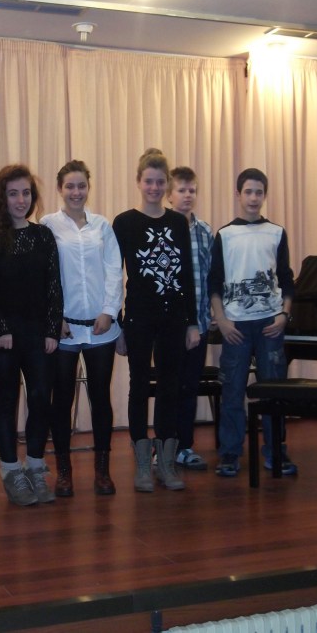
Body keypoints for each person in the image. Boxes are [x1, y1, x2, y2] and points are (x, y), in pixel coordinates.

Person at [0, 164, 63, 506]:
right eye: (13, 194)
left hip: (39, 335)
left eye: (26, 193)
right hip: (2, 337)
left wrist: (52, 329)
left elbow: (54, 286)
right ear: (2, 197)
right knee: (6, 402)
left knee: (40, 399)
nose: (21, 200)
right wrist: (1, 328)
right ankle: (11, 471)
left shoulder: (43, 236)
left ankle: (36, 467)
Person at [113, 148, 200, 493]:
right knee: (138, 386)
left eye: (160, 182)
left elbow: (187, 275)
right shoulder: (124, 223)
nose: (154, 187)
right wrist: (119, 323)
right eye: (148, 181)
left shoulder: (178, 222)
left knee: (169, 386)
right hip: (138, 317)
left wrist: (192, 322)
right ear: (138, 182)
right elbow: (113, 276)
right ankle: (141, 466)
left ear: (166, 185)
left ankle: (166, 462)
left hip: (174, 318)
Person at [41, 160, 123, 497]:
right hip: (64, 331)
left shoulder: (102, 226)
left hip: (101, 329)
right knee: (61, 401)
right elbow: (43, 276)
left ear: (88, 188)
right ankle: (64, 472)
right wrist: (53, 318)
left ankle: (102, 471)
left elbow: (115, 270)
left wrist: (109, 311)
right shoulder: (47, 226)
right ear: (60, 189)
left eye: (81, 186)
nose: (76, 192)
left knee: (100, 398)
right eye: (70, 186)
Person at [208, 167, 297, 478]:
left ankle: (275, 450)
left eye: (259, 192)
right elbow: (215, 282)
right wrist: (222, 320)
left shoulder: (277, 232)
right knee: (232, 390)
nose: (254, 198)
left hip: (270, 324)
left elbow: (286, 279)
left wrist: (284, 315)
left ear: (264, 195)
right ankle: (230, 453)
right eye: (248, 191)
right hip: (236, 326)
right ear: (238, 194)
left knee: (274, 391)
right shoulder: (225, 235)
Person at [167, 166, 214, 471]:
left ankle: (184, 446)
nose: (187, 196)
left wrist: (206, 318)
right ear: (169, 195)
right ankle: (165, 445)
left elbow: (210, 277)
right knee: (170, 386)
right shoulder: (163, 229)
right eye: (181, 190)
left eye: (192, 190)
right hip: (170, 325)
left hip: (200, 324)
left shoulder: (205, 231)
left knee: (189, 387)